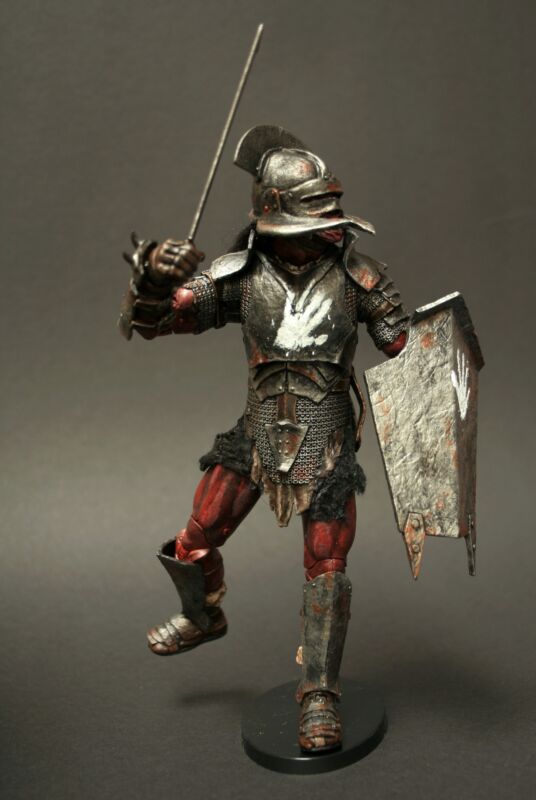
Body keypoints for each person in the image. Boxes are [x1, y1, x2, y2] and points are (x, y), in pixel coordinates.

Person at [119, 125, 408, 753]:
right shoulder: (240, 276)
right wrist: (152, 283)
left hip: (327, 442)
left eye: (330, 216)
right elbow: (156, 322)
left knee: (326, 567)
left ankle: (320, 693)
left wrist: (410, 334)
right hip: (257, 433)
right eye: (314, 217)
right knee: (195, 539)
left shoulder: (357, 278)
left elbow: (405, 346)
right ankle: (202, 614)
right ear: (278, 220)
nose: (328, 229)